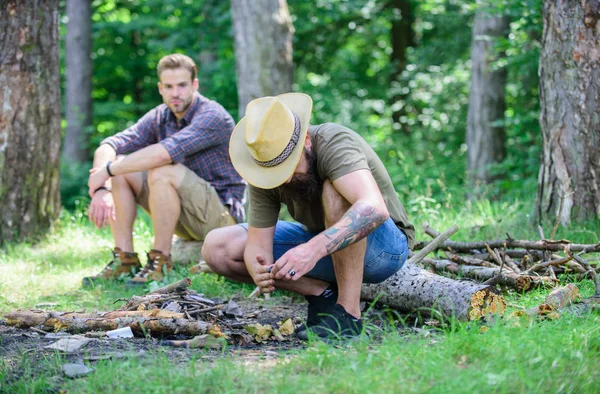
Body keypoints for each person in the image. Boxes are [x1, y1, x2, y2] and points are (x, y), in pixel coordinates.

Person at [201, 93, 415, 340]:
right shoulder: (263, 164)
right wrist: (257, 265)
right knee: (217, 247)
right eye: (275, 172)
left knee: (335, 191)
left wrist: (312, 250)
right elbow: (258, 244)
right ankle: (323, 296)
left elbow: (373, 208)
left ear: (307, 141)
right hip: (324, 245)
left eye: (289, 167)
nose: (285, 179)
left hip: (384, 250)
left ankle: (348, 316)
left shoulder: (334, 141)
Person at [85, 53, 246, 287]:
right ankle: (125, 259)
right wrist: (101, 185)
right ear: (160, 88)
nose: (175, 93)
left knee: (161, 169)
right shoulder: (161, 115)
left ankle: (160, 260)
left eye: (182, 85)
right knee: (122, 169)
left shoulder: (212, 116)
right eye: (169, 86)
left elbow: (164, 153)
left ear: (195, 85)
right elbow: (111, 144)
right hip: (186, 213)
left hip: (222, 219)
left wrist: (107, 170)